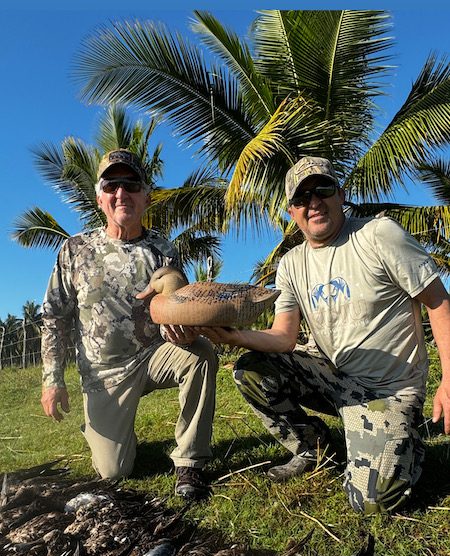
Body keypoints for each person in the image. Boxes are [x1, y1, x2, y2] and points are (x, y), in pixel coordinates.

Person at [193, 155, 450, 514]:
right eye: (301, 197)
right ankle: (313, 448)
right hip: (334, 377)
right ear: (291, 212)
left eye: (322, 190)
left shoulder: (379, 235)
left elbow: (438, 301)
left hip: (388, 390)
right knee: (251, 370)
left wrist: (448, 380)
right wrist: (233, 337)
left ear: (340, 194)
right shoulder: (291, 264)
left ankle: (406, 440)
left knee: (372, 501)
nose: (313, 202)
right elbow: (284, 337)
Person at [40, 149, 218, 501]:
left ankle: (189, 462)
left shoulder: (163, 250)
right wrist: (52, 380)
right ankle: (102, 430)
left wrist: (182, 329)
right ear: (99, 198)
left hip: (153, 357)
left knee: (200, 355)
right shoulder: (75, 250)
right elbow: (54, 317)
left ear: (146, 196)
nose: (121, 193)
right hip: (104, 375)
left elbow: (176, 308)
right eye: (111, 185)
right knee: (114, 471)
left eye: (131, 185)